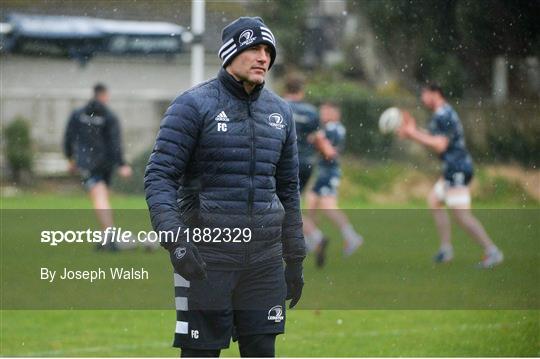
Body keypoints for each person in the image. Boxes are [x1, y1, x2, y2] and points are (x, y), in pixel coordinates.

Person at [144, 17, 305, 357]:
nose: (263, 57)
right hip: (207, 259)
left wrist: (295, 257)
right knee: (200, 353)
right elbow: (160, 177)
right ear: (230, 52)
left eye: (268, 51)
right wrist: (176, 242)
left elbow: (288, 190)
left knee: (262, 350)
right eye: (254, 48)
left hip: (264, 262)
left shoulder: (281, 113)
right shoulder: (192, 106)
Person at [398, 84, 503, 268]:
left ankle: (492, 251)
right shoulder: (441, 113)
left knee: (462, 215)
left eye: (424, 95)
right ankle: (446, 250)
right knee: (434, 200)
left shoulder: (443, 114)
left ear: (435, 94)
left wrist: (413, 134)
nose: (422, 99)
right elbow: (434, 138)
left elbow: (440, 145)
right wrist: (413, 133)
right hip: (452, 168)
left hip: (458, 168)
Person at [64, 83, 137, 251]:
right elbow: (115, 142)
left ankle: (108, 237)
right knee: (101, 196)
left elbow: (69, 137)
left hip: (88, 163)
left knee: (99, 197)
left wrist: (71, 158)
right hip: (105, 163)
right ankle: (107, 236)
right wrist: (121, 164)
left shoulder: (78, 114)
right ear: (104, 95)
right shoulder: (109, 116)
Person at [283, 74, 336, 267]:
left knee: (283, 206)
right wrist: (328, 152)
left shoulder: (279, 106)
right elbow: (320, 141)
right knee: (289, 205)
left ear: (285, 89)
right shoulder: (312, 112)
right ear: (301, 91)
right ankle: (305, 242)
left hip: (286, 163)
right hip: (306, 164)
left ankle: (311, 239)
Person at [305, 101, 363, 265]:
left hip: (328, 173)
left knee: (328, 207)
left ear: (334, 112)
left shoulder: (332, 129)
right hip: (323, 172)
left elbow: (329, 152)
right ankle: (312, 239)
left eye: (324, 111)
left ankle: (351, 237)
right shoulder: (333, 128)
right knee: (311, 204)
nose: (321, 114)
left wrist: (315, 140)